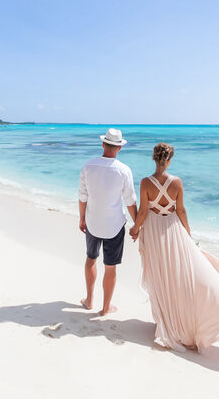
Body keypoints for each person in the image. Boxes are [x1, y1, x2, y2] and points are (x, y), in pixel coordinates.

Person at [130, 142, 219, 351]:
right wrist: (187, 234)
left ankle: (167, 322)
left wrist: (135, 229)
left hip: (153, 232)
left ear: (153, 158)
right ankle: (183, 324)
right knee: (181, 275)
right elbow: (181, 211)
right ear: (169, 160)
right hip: (173, 230)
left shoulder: (145, 182)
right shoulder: (177, 182)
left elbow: (143, 212)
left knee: (161, 277)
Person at [78, 128, 138, 316]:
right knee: (110, 267)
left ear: (103, 144)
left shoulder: (88, 166)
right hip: (114, 225)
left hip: (93, 222)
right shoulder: (124, 170)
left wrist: (81, 218)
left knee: (90, 260)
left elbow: (82, 196)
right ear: (119, 148)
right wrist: (137, 225)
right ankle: (105, 308)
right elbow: (130, 201)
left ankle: (89, 300)